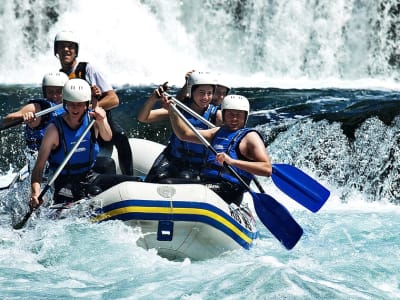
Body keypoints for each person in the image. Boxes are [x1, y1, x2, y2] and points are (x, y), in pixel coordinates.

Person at [29, 79, 140, 209]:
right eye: (71, 104)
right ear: (65, 103)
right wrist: (35, 193)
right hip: (65, 182)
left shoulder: (93, 120)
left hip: (89, 176)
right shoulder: (53, 130)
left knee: (136, 183)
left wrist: (102, 121)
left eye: (80, 104)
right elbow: (38, 167)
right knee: (95, 193)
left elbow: (108, 137)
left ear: (87, 104)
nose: (75, 108)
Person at [166, 94, 272, 205]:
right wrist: (172, 110)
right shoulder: (217, 132)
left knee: (182, 188)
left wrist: (232, 161)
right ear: (224, 114)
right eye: (230, 114)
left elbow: (267, 169)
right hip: (207, 182)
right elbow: (183, 134)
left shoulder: (251, 137)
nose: (234, 118)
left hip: (230, 190)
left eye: (239, 115)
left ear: (245, 116)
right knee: (166, 183)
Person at [53, 30, 133, 175]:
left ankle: (129, 176)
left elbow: (113, 99)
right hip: (73, 126)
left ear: (76, 50)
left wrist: (87, 108)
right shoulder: (58, 77)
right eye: (62, 46)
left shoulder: (89, 69)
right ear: (56, 50)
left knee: (120, 135)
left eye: (70, 46)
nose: (66, 50)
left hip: (96, 123)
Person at [137, 71, 223, 182]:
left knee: (183, 178)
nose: (205, 97)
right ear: (191, 91)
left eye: (209, 93)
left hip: (199, 165)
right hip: (173, 158)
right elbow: (143, 118)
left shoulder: (217, 115)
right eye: (201, 92)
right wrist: (153, 98)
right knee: (155, 178)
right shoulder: (179, 108)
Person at [3, 71, 68, 153]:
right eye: (50, 92)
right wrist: (25, 117)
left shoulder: (73, 107)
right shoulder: (38, 107)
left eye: (59, 91)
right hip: (40, 160)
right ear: (45, 93)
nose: (54, 96)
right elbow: (7, 120)